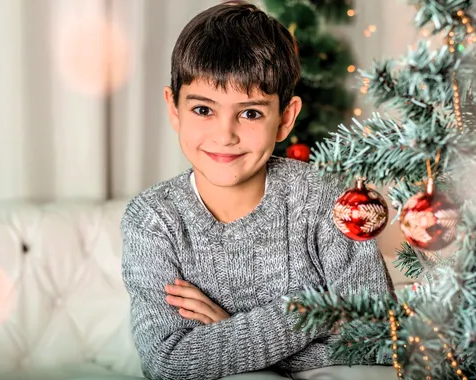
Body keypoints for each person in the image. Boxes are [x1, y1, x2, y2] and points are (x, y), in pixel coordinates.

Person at [121, 1, 394, 379]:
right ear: (174, 109)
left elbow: (377, 336)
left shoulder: (327, 199)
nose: (224, 135)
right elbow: (168, 362)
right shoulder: (153, 219)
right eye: (203, 110)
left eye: (250, 113)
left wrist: (228, 331)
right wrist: (316, 310)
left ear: (285, 119)